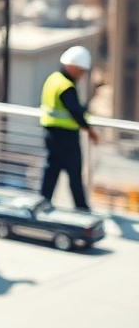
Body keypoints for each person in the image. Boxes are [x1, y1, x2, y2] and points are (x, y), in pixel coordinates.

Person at [39, 46, 99, 211]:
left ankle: (44, 201)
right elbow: (74, 111)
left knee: (51, 169)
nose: (81, 76)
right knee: (74, 173)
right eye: (80, 71)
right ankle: (81, 208)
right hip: (66, 137)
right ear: (71, 66)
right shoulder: (66, 86)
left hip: (51, 133)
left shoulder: (53, 79)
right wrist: (90, 130)